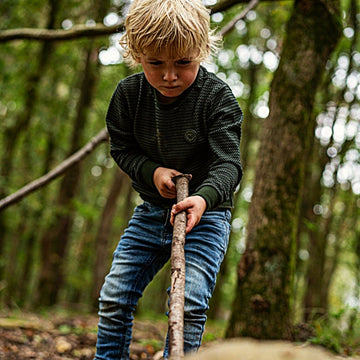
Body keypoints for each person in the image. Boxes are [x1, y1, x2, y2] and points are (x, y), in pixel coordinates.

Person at [95, 0, 243, 359]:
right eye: (156, 63)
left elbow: (229, 165)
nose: (169, 76)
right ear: (136, 54)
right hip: (151, 212)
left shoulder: (217, 98)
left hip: (206, 218)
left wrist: (204, 198)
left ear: (202, 51)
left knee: (188, 305)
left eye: (183, 63)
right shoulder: (128, 97)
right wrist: (153, 171)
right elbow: (122, 149)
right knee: (114, 296)